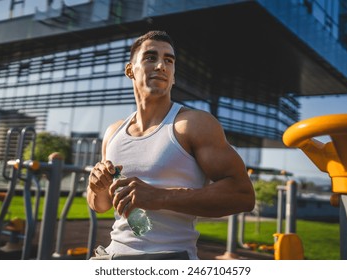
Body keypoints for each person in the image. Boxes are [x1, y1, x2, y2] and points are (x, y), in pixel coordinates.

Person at [87, 30, 255, 260]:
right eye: (150, 57)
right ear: (130, 71)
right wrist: (96, 187)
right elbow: (100, 205)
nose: (160, 66)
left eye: (169, 60)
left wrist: (161, 197)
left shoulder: (194, 124)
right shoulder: (113, 132)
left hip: (168, 258)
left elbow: (242, 195)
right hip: (111, 256)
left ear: (173, 75)